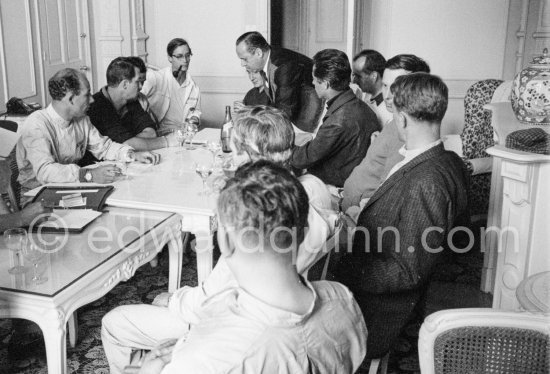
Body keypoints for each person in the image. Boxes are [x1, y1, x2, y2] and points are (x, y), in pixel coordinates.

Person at [101, 106, 343, 373]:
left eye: (236, 151)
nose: (231, 158)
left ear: (252, 157)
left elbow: (207, 302)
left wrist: (173, 300)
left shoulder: (251, 226)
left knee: (115, 322)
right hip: (286, 318)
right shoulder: (314, 189)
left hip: (228, 325)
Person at [334, 73, 469, 360]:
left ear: (403, 119)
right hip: (374, 271)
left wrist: (340, 263)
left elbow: (407, 271)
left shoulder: (428, 182)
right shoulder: (439, 160)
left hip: (379, 314)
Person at [16, 68, 160, 205]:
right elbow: (45, 172)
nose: (92, 100)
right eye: (87, 94)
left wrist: (131, 154)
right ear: (71, 99)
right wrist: (88, 175)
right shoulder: (36, 124)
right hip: (36, 197)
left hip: (69, 190)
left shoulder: (81, 119)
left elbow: (104, 147)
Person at [341, 54, 431, 213]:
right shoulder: (396, 122)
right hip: (347, 202)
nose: (387, 96)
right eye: (385, 85)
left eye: (395, 88)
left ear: (417, 90)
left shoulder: (405, 131)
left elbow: (386, 197)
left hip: (357, 215)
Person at [290, 49, 380, 187]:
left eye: (314, 79)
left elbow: (302, 159)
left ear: (326, 84)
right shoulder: (361, 107)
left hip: (334, 186)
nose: (313, 83)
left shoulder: (338, 121)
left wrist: (280, 146)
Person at [86, 57, 178, 155]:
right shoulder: (96, 106)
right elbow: (125, 144)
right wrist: (167, 141)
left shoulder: (131, 100)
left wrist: (134, 142)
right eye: (138, 81)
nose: (141, 87)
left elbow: (151, 133)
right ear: (125, 84)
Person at [235, 31, 323, 132]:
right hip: (295, 104)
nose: (242, 64)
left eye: (245, 59)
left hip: (309, 101)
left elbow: (284, 111)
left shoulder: (284, 66)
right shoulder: (266, 60)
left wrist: (251, 115)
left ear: (259, 53)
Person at [141, 38, 201, 134]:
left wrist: (194, 119)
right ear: (169, 58)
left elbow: (195, 112)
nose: (185, 60)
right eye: (179, 56)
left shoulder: (194, 87)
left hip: (181, 134)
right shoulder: (157, 78)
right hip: (158, 133)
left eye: (187, 55)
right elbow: (137, 96)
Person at [352, 49, 392, 126]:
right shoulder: (364, 96)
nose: (354, 81)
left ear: (374, 76)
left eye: (358, 76)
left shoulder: (390, 110)